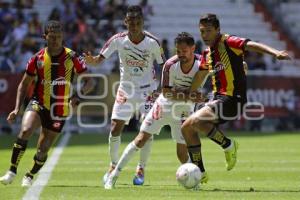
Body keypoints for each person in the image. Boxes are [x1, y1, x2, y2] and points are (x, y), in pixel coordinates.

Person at [181, 14, 291, 177]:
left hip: (233, 100)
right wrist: (189, 94)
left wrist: (275, 53)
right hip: (217, 98)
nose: (205, 36)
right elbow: (200, 76)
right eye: (202, 31)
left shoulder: (228, 42)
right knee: (187, 128)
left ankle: (228, 145)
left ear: (218, 29)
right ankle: (199, 174)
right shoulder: (207, 53)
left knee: (197, 121)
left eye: (209, 31)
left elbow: (252, 45)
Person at [104, 32, 209, 189]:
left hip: (184, 112)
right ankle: (113, 176)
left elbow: (220, 68)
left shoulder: (203, 63)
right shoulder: (170, 65)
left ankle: (194, 183)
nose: (181, 55)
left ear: (193, 48)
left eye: (184, 51)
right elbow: (166, 93)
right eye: (178, 51)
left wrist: (239, 66)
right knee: (140, 140)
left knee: (181, 153)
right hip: (163, 107)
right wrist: (191, 95)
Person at [0, 20, 94, 187]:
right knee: (26, 130)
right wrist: (16, 108)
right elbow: (24, 83)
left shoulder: (72, 57)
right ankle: (12, 171)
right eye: (52, 37)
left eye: (59, 36)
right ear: (45, 37)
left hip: (60, 109)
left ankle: (29, 175)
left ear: (62, 36)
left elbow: (90, 82)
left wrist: (78, 95)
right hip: (39, 103)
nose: (56, 40)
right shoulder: (37, 59)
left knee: (42, 150)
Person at [84, 5, 165, 185]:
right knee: (115, 127)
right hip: (126, 89)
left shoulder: (153, 42)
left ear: (142, 22)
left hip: (148, 91)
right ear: (125, 22)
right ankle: (113, 165)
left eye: (137, 23)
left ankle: (141, 168)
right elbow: (99, 60)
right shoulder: (118, 40)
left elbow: (163, 65)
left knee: (147, 130)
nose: (134, 26)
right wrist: (91, 62)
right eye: (131, 23)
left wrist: (160, 88)